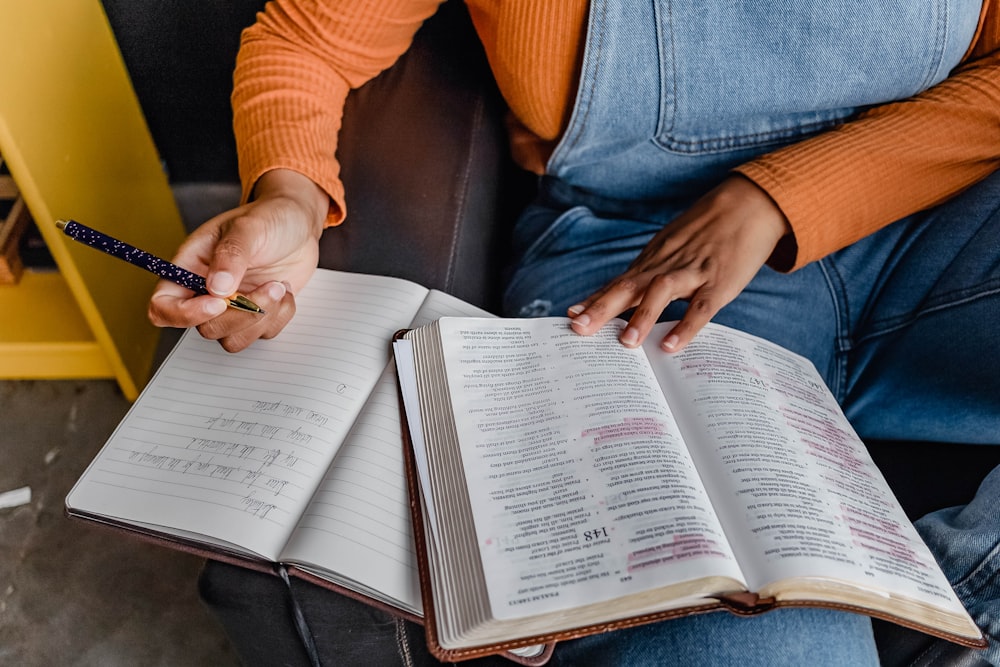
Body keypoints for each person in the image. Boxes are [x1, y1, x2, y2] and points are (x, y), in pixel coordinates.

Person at [150, 1, 1000, 664]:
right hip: (634, 260)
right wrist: (290, 202)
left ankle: (952, 609)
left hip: (942, 213)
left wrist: (784, 195)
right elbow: (306, 38)